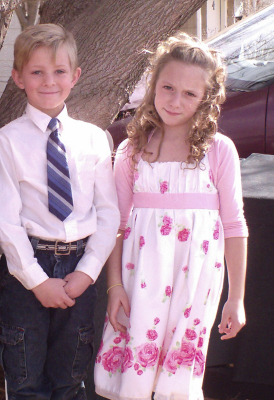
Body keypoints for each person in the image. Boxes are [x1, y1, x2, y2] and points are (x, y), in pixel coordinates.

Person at [94, 33, 248, 400]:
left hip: (195, 281)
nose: (176, 101)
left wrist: (236, 297)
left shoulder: (219, 151)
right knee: (134, 374)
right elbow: (115, 223)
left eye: (190, 94)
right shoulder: (131, 150)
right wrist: (114, 286)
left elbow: (234, 225)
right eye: (167, 88)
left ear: (206, 98)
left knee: (177, 380)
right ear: (153, 86)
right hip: (139, 280)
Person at [0, 23, 120, 399]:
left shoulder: (94, 138)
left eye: (59, 71)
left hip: (80, 267)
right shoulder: (7, 142)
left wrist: (88, 272)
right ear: (18, 78)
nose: (49, 81)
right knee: (25, 376)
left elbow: (108, 212)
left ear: (75, 76)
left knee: (72, 377)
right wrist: (36, 280)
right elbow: (5, 220)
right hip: (26, 269)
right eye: (37, 72)